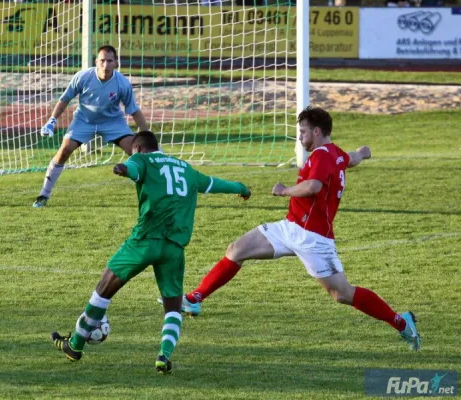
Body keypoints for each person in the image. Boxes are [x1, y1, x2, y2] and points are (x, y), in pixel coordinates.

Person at [180, 106, 421, 351]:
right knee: (236, 249)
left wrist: (284, 190)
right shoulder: (335, 153)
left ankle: (402, 322)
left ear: (316, 131)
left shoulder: (321, 156)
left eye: (303, 132)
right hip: (290, 227)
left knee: (343, 294)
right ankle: (194, 298)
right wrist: (363, 152)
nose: (300, 137)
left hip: (314, 239)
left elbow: (313, 187)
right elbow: (351, 158)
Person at [51, 130, 251, 374]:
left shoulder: (141, 160)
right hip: (174, 248)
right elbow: (213, 184)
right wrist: (241, 187)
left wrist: (125, 170)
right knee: (173, 306)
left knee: (103, 291)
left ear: (137, 148)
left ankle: (75, 346)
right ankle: (163, 356)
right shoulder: (186, 168)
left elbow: (133, 169)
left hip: (143, 242)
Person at [33, 44, 149, 208]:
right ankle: (43, 195)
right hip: (84, 121)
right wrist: (52, 120)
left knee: (137, 153)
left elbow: (134, 111)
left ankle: (153, 194)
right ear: (96, 61)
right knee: (64, 151)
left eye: (109, 61)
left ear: (116, 62)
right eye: (102, 61)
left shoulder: (122, 83)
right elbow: (65, 99)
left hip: (113, 122)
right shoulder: (83, 76)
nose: (105, 65)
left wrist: (147, 137)